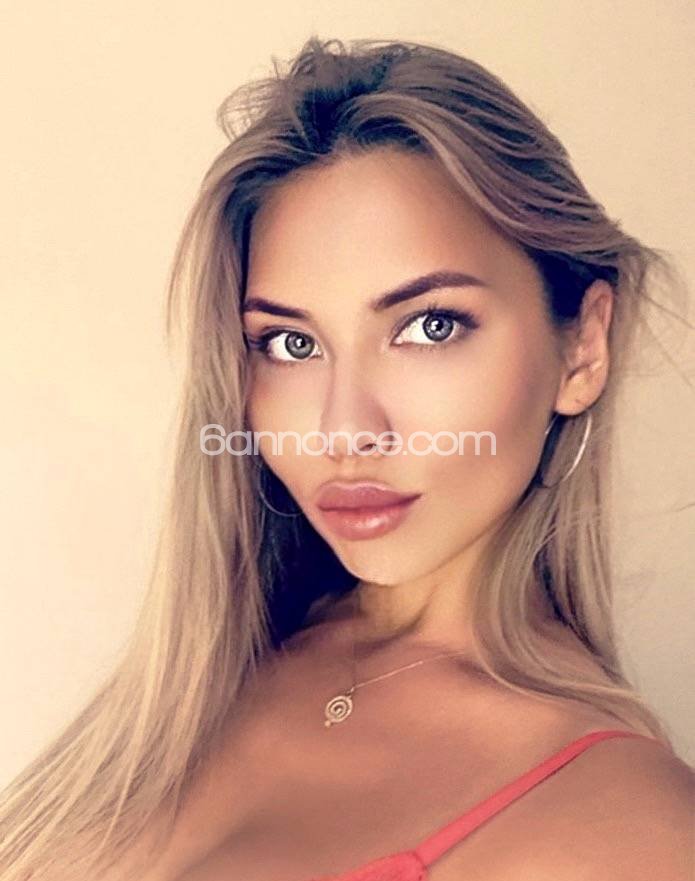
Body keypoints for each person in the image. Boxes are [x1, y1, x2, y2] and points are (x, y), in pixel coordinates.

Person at [0, 35, 692, 881]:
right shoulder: (194, 677)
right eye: (290, 343)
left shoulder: (629, 831)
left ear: (581, 348)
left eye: (429, 326)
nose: (343, 429)